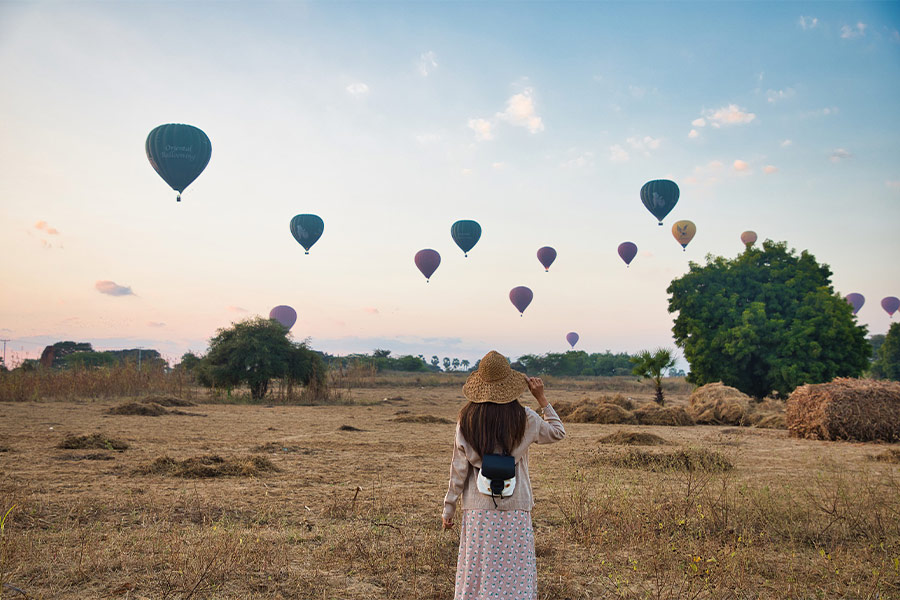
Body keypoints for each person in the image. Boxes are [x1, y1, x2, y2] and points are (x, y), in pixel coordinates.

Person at [442, 350, 566, 599]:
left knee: (479, 573)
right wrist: (541, 398)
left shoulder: (466, 419)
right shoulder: (526, 418)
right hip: (515, 507)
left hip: (477, 509)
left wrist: (449, 508)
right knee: (515, 573)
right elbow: (557, 432)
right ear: (510, 386)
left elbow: (458, 470)